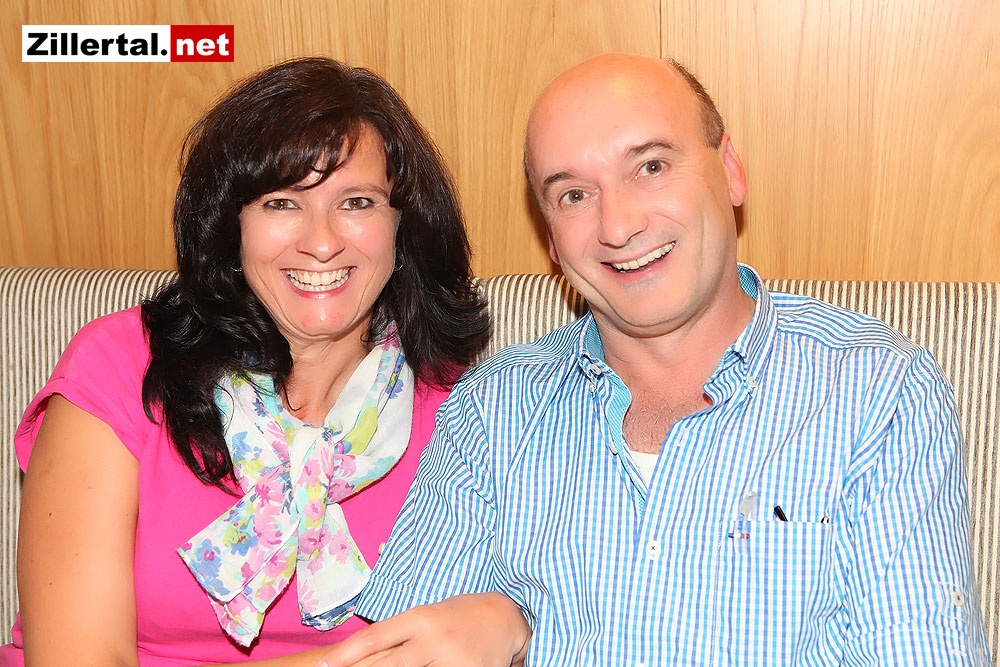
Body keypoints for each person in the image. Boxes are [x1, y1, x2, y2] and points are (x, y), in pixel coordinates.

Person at [320, 53, 991, 666]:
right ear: (551, 237)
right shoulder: (491, 409)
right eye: (573, 195)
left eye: (651, 167)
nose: (618, 226)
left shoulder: (878, 391)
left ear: (730, 170)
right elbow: (402, 651)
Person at [1, 57, 529, 666]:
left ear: (402, 229)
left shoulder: (471, 413)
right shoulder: (120, 367)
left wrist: (513, 621)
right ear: (231, 228)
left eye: (357, 202)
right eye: (281, 204)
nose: (322, 242)